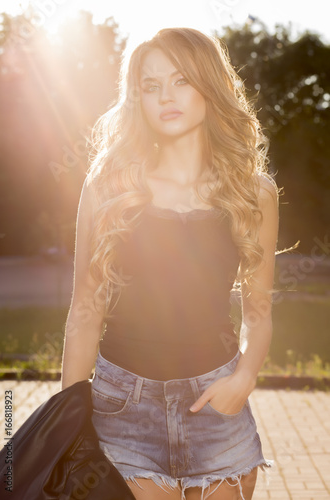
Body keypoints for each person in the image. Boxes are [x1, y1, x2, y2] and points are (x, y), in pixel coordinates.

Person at [61, 27, 279, 500]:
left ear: (209, 84)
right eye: (150, 85)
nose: (166, 96)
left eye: (180, 80)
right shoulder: (109, 189)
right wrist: (69, 423)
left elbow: (258, 311)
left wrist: (244, 378)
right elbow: (84, 311)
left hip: (216, 407)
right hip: (121, 409)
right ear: (136, 98)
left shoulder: (253, 192)